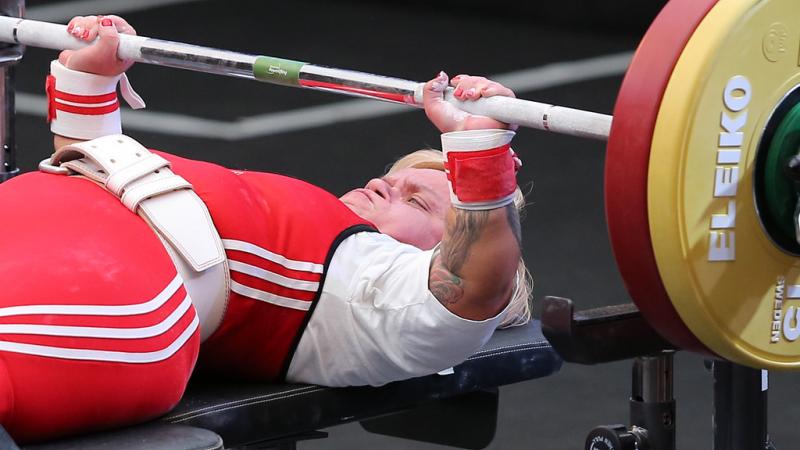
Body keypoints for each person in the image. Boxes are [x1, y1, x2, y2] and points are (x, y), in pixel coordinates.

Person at [0, 15, 530, 442]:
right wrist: (89, 80)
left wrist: (481, 156)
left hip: (122, 299)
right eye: (394, 178)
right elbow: (106, 180)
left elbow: (471, 290)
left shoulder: (374, 288)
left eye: (416, 200)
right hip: (44, 224)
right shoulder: (297, 210)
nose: (385, 184)